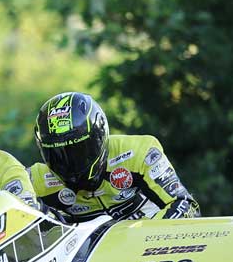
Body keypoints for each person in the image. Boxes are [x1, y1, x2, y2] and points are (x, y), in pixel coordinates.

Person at [29, 92, 199, 222]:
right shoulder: (37, 180)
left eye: (78, 151)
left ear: (99, 138)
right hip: (91, 260)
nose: (69, 163)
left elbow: (186, 206)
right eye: (58, 155)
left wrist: (144, 240)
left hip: (152, 252)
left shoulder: (139, 153)